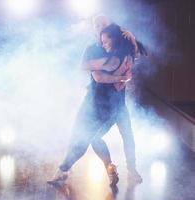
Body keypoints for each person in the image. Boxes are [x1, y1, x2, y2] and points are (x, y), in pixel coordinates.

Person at [48, 17, 146, 187]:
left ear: (111, 30)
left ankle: (131, 169)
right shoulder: (93, 49)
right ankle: (66, 169)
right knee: (82, 135)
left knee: (126, 136)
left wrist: (132, 40)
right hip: (94, 102)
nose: (101, 28)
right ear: (94, 30)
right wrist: (119, 75)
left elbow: (135, 56)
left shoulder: (122, 47)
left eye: (104, 25)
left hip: (117, 104)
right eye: (98, 26)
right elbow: (98, 77)